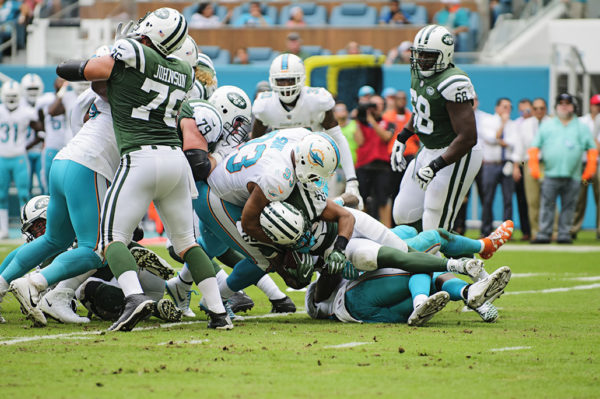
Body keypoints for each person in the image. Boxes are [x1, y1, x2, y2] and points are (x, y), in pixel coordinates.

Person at [52, 11, 230, 332]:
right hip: (175, 161)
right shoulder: (183, 71)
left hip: (139, 156)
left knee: (111, 240)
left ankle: (134, 298)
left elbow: (86, 71)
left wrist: (84, 63)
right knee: (187, 242)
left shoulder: (133, 52)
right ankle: (218, 313)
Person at [391, 25, 482, 232]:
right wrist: (402, 137)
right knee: (402, 213)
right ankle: (423, 254)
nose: (421, 59)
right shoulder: (418, 71)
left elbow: (468, 137)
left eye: (428, 55)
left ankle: (453, 261)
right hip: (429, 148)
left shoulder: (453, 82)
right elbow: (424, 111)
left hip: (456, 153)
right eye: (418, 54)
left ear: (445, 55)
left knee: (435, 216)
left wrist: (435, 166)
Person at [252, 54, 363, 208]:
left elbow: (338, 138)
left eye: (291, 80)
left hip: (316, 169)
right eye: (281, 80)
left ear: (301, 79)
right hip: (281, 170)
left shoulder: (316, 100)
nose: (286, 85)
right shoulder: (264, 106)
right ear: (273, 81)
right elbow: (254, 145)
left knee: (322, 213)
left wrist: (351, 180)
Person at [529, 93, 597, 244]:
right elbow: (534, 146)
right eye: (561, 103)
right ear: (556, 106)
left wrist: (589, 169)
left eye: (567, 103)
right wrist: (534, 167)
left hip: (573, 175)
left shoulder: (581, 127)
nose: (564, 106)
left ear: (573, 107)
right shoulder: (548, 125)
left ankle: (564, 234)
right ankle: (544, 234)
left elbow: (592, 148)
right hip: (550, 174)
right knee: (547, 205)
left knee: (569, 206)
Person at [0, 81, 42, 238]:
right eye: (8, 96)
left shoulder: (27, 112)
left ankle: (25, 230)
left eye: (14, 96)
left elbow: (41, 131)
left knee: (24, 194)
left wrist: (26, 146)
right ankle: (3, 230)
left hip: (19, 157)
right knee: (1, 195)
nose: (11, 99)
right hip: (2, 158)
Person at [355, 95, 395, 226]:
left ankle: (388, 230)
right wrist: (358, 120)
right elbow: (359, 142)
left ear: (383, 106)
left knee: (384, 200)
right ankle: (362, 228)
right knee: (362, 200)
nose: (374, 108)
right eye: (372, 105)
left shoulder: (388, 123)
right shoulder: (360, 122)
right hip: (363, 165)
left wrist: (372, 120)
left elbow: (386, 137)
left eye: (377, 105)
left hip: (382, 166)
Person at [513, 97, 550, 240]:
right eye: (536, 108)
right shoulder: (525, 124)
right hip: (530, 163)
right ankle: (535, 232)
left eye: (542, 108)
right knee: (532, 200)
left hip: (548, 163)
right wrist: (516, 166)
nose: (539, 111)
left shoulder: (552, 124)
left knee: (549, 199)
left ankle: (552, 231)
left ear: (546, 109)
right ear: (532, 110)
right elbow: (519, 147)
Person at [479, 98, 514, 238]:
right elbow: (491, 138)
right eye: (504, 107)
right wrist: (502, 126)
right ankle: (486, 230)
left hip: (506, 163)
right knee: (487, 199)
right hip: (490, 164)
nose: (507, 110)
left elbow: (514, 142)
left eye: (509, 107)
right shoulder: (488, 121)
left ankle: (506, 232)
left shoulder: (513, 124)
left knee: (508, 199)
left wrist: (501, 140)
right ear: (497, 108)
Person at [571, 94, 600, 239]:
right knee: (578, 198)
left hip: (598, 164)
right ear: (591, 105)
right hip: (583, 164)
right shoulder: (581, 122)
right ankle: (574, 229)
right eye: (596, 105)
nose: (598, 108)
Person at [507, 99, 533, 240]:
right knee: (522, 199)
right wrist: (516, 166)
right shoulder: (517, 125)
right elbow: (515, 145)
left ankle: (537, 229)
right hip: (522, 164)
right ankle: (526, 231)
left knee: (536, 200)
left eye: (527, 110)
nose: (525, 113)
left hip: (536, 163)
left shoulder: (537, 124)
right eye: (522, 110)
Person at [383, 90, 415, 200]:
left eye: (403, 99)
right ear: (395, 101)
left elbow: (416, 139)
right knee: (394, 188)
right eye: (399, 99)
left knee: (409, 187)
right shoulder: (387, 117)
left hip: (409, 154)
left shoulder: (411, 117)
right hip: (393, 155)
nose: (401, 101)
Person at [20, 73, 46, 196]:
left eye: (35, 88)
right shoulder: (19, 106)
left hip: (41, 150)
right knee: (25, 186)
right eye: (29, 89)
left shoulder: (45, 103)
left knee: (44, 185)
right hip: (24, 151)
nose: (32, 92)